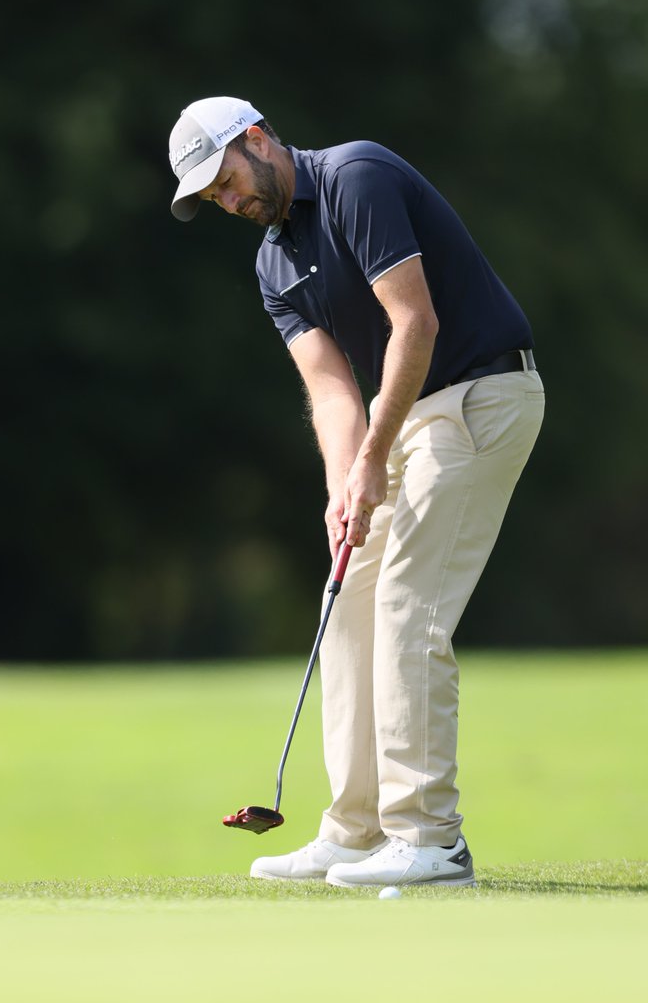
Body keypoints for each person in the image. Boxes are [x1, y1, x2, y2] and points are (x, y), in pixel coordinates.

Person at [167, 96, 545, 888]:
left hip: (477, 396)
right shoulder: (274, 263)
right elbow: (333, 390)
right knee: (349, 599)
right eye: (214, 198)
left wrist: (374, 457)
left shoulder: (356, 177)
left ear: (258, 138)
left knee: (409, 603)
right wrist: (345, 490)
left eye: (227, 178)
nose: (230, 200)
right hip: (402, 421)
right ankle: (357, 830)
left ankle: (431, 840)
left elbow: (416, 324)